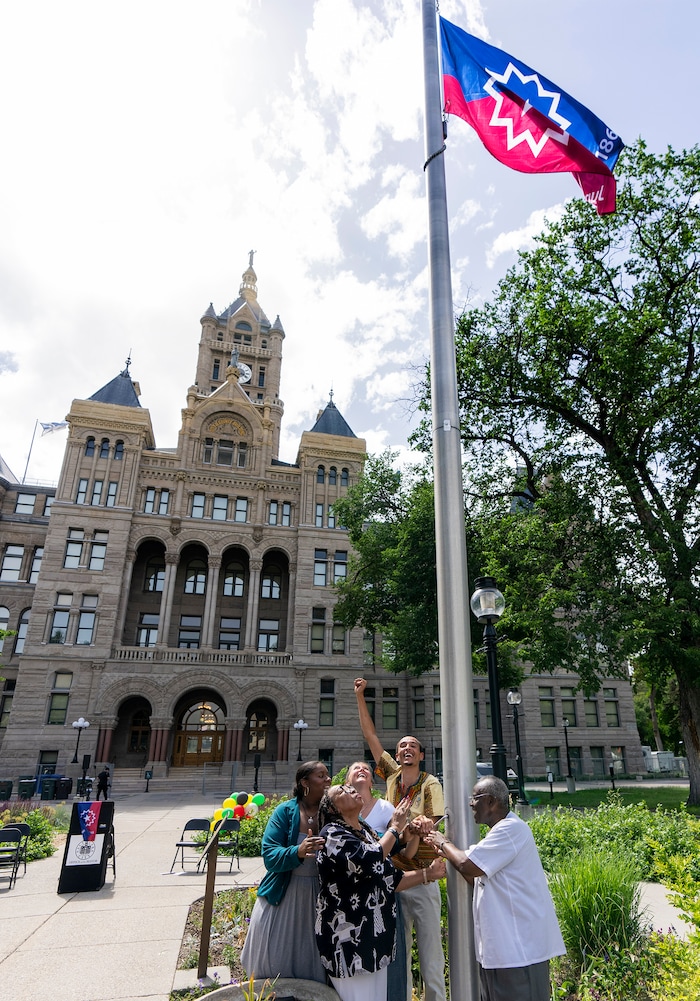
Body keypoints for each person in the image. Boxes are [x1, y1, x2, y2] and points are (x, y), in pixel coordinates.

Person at [425, 776, 565, 1001]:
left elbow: (467, 865)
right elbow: (475, 877)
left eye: (475, 799)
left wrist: (443, 842)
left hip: (520, 954)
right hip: (501, 954)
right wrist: (446, 853)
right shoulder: (497, 835)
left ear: (490, 801)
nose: (470, 804)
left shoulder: (510, 830)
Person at [355, 677, 446, 1001]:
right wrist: (360, 696)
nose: (406, 749)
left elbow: (433, 827)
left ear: (421, 754)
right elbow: (371, 735)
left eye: (412, 746)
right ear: (397, 756)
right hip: (394, 878)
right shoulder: (391, 777)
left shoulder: (430, 783)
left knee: (431, 952)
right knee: (399, 952)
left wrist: (417, 825)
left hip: (422, 878)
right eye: (401, 747)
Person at [315, 783, 446, 1001]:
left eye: (349, 787)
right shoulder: (332, 834)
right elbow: (370, 858)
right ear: (332, 809)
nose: (351, 790)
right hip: (349, 945)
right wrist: (395, 826)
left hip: (374, 941)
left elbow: (389, 875)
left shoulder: (362, 829)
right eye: (342, 791)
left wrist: (410, 836)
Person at [241, 760, 330, 983]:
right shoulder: (285, 811)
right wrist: (297, 851)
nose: (328, 779)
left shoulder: (332, 812)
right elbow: (270, 855)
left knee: (314, 959)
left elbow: (361, 838)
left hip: (319, 897)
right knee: (276, 958)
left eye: (327, 775)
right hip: (284, 894)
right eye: (321, 776)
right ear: (304, 783)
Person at [345, 761, 418, 1001]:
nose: (362, 770)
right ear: (346, 782)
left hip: (381, 891)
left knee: (385, 950)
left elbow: (402, 842)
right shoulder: (340, 810)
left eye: (366, 768)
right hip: (350, 895)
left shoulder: (386, 808)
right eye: (356, 768)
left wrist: (413, 826)